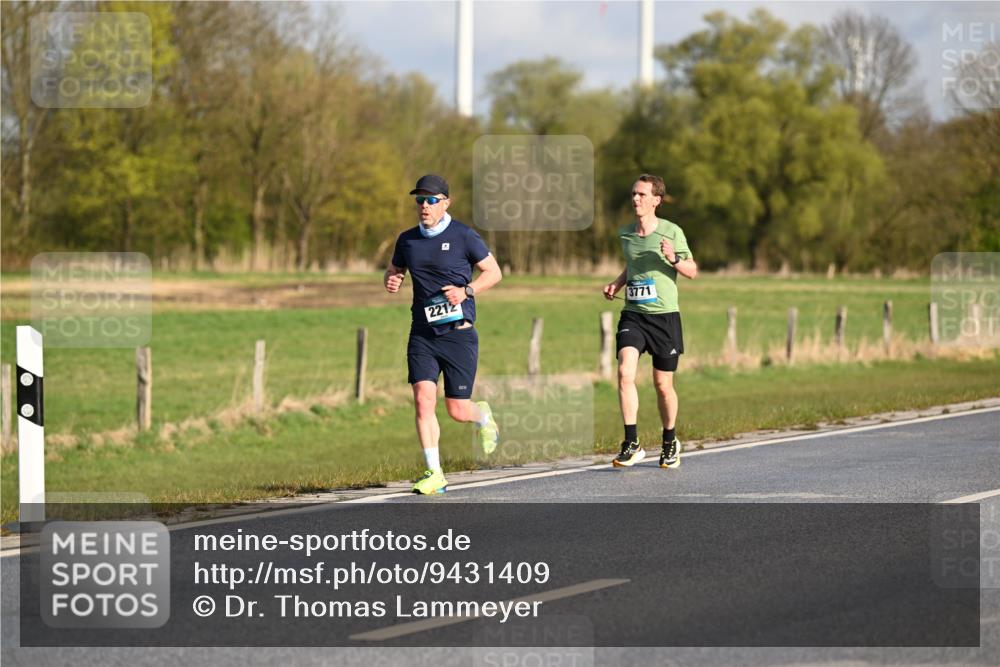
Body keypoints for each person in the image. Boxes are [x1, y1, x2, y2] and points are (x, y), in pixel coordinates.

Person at [384, 174, 503, 494]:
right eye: (419, 200)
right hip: (422, 334)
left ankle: (482, 416)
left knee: (457, 410)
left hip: (457, 335)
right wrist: (391, 279)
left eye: (431, 200)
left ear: (446, 203)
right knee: (423, 400)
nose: (424, 205)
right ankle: (434, 472)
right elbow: (395, 269)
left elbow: (494, 272)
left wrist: (466, 291)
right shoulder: (407, 240)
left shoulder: (464, 235)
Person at [603, 174, 698, 469]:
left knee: (662, 384)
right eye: (634, 193)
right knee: (624, 372)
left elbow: (692, 271)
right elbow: (633, 265)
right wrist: (617, 284)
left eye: (642, 194)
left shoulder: (672, 232)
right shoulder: (626, 234)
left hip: (664, 317)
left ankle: (669, 440)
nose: (636, 199)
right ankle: (632, 443)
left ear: (656, 200)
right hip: (633, 314)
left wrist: (673, 259)